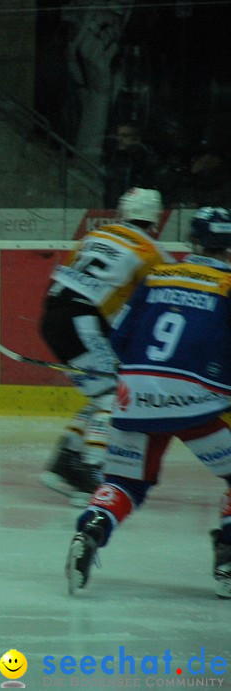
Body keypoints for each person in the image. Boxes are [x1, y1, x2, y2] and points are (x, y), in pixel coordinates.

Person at [66, 206, 231, 598]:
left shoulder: (158, 275)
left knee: (124, 482)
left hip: (135, 395)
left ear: (193, 241)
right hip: (195, 400)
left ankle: (92, 527)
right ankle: (228, 557)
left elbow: (121, 338)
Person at [38, 187, 172, 505]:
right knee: (114, 395)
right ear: (155, 217)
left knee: (102, 392)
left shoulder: (95, 236)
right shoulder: (152, 252)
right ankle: (91, 473)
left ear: (123, 211)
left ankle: (65, 464)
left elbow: (67, 277)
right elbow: (162, 299)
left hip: (53, 315)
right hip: (83, 320)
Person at [101, 121, 158, 209]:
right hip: (114, 209)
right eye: (118, 135)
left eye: (124, 136)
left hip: (137, 211)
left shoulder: (144, 160)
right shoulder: (116, 158)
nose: (119, 139)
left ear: (136, 139)